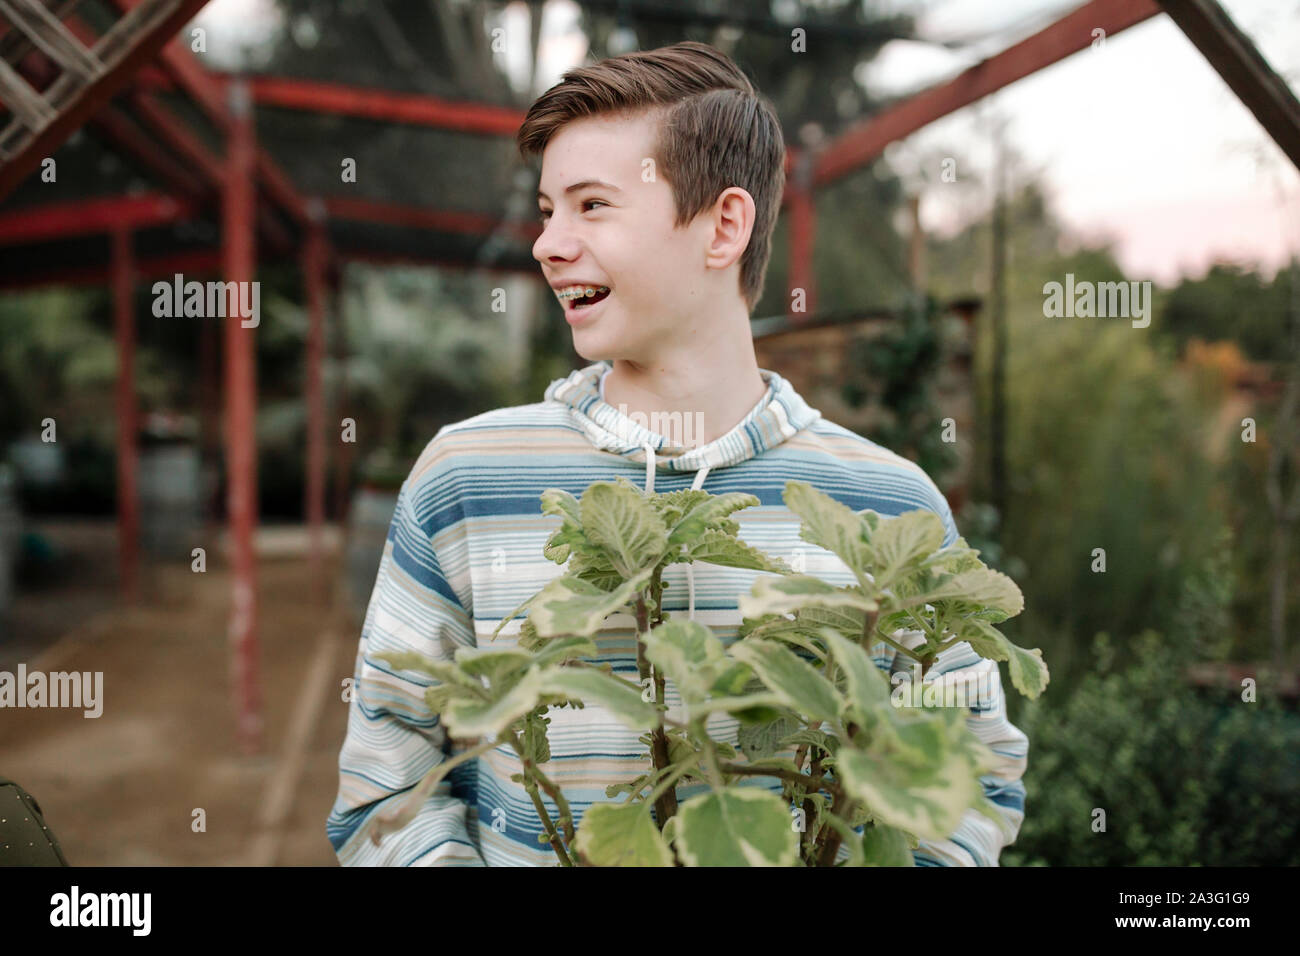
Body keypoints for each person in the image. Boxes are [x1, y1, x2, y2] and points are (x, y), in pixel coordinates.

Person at [326, 40, 1027, 866]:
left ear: (724, 225)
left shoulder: (892, 505)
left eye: (590, 206)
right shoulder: (465, 478)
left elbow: (975, 775)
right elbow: (385, 785)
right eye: (548, 209)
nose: (547, 243)